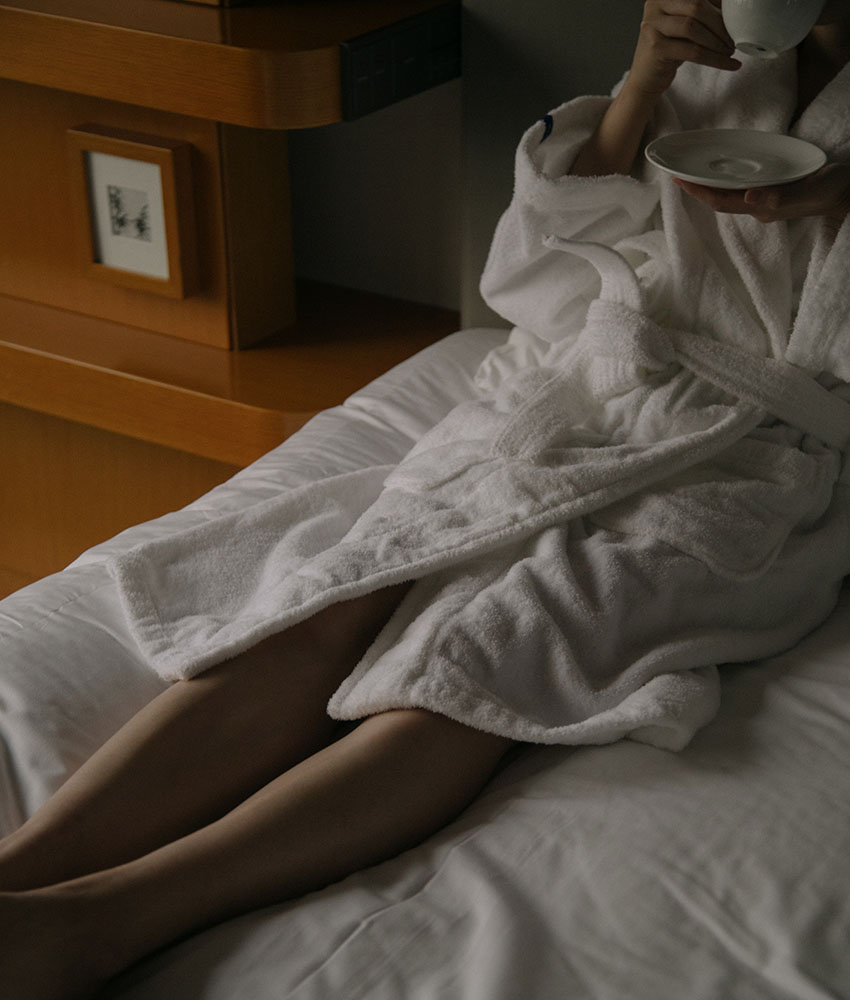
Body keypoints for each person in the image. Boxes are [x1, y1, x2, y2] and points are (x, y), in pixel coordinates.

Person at [1, 2, 849, 996]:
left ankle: (101, 921)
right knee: (347, 590)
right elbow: (544, 272)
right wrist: (641, 84)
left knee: (491, 650)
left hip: (762, 456)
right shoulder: (720, 47)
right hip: (593, 388)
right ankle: (19, 871)